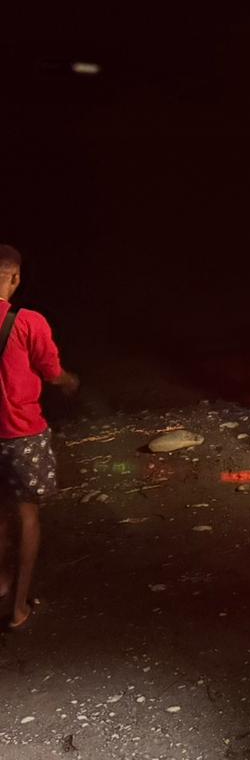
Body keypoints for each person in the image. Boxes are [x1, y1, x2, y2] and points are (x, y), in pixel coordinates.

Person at [0, 245, 78, 631]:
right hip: (21, 434)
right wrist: (69, 382)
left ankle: (1, 582)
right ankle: (18, 608)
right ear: (15, 277)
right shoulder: (29, 321)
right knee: (27, 515)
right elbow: (51, 371)